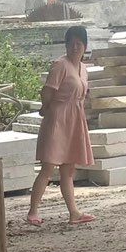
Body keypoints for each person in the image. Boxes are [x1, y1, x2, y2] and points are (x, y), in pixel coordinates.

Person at [27, 25, 95, 226]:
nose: (75, 47)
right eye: (71, 43)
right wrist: (45, 108)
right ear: (66, 45)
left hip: (74, 120)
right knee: (48, 167)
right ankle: (33, 212)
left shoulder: (83, 69)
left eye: (79, 44)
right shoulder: (60, 65)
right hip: (57, 119)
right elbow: (47, 92)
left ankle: (74, 213)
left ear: (85, 46)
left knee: (68, 169)